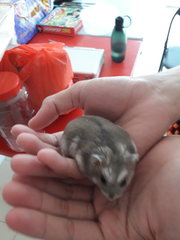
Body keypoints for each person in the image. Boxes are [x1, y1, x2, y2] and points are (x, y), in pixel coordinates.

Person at [3, 66, 180, 240]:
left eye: (123, 181)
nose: (112, 195)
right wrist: (161, 89)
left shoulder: (129, 152)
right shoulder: (94, 156)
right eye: (104, 180)